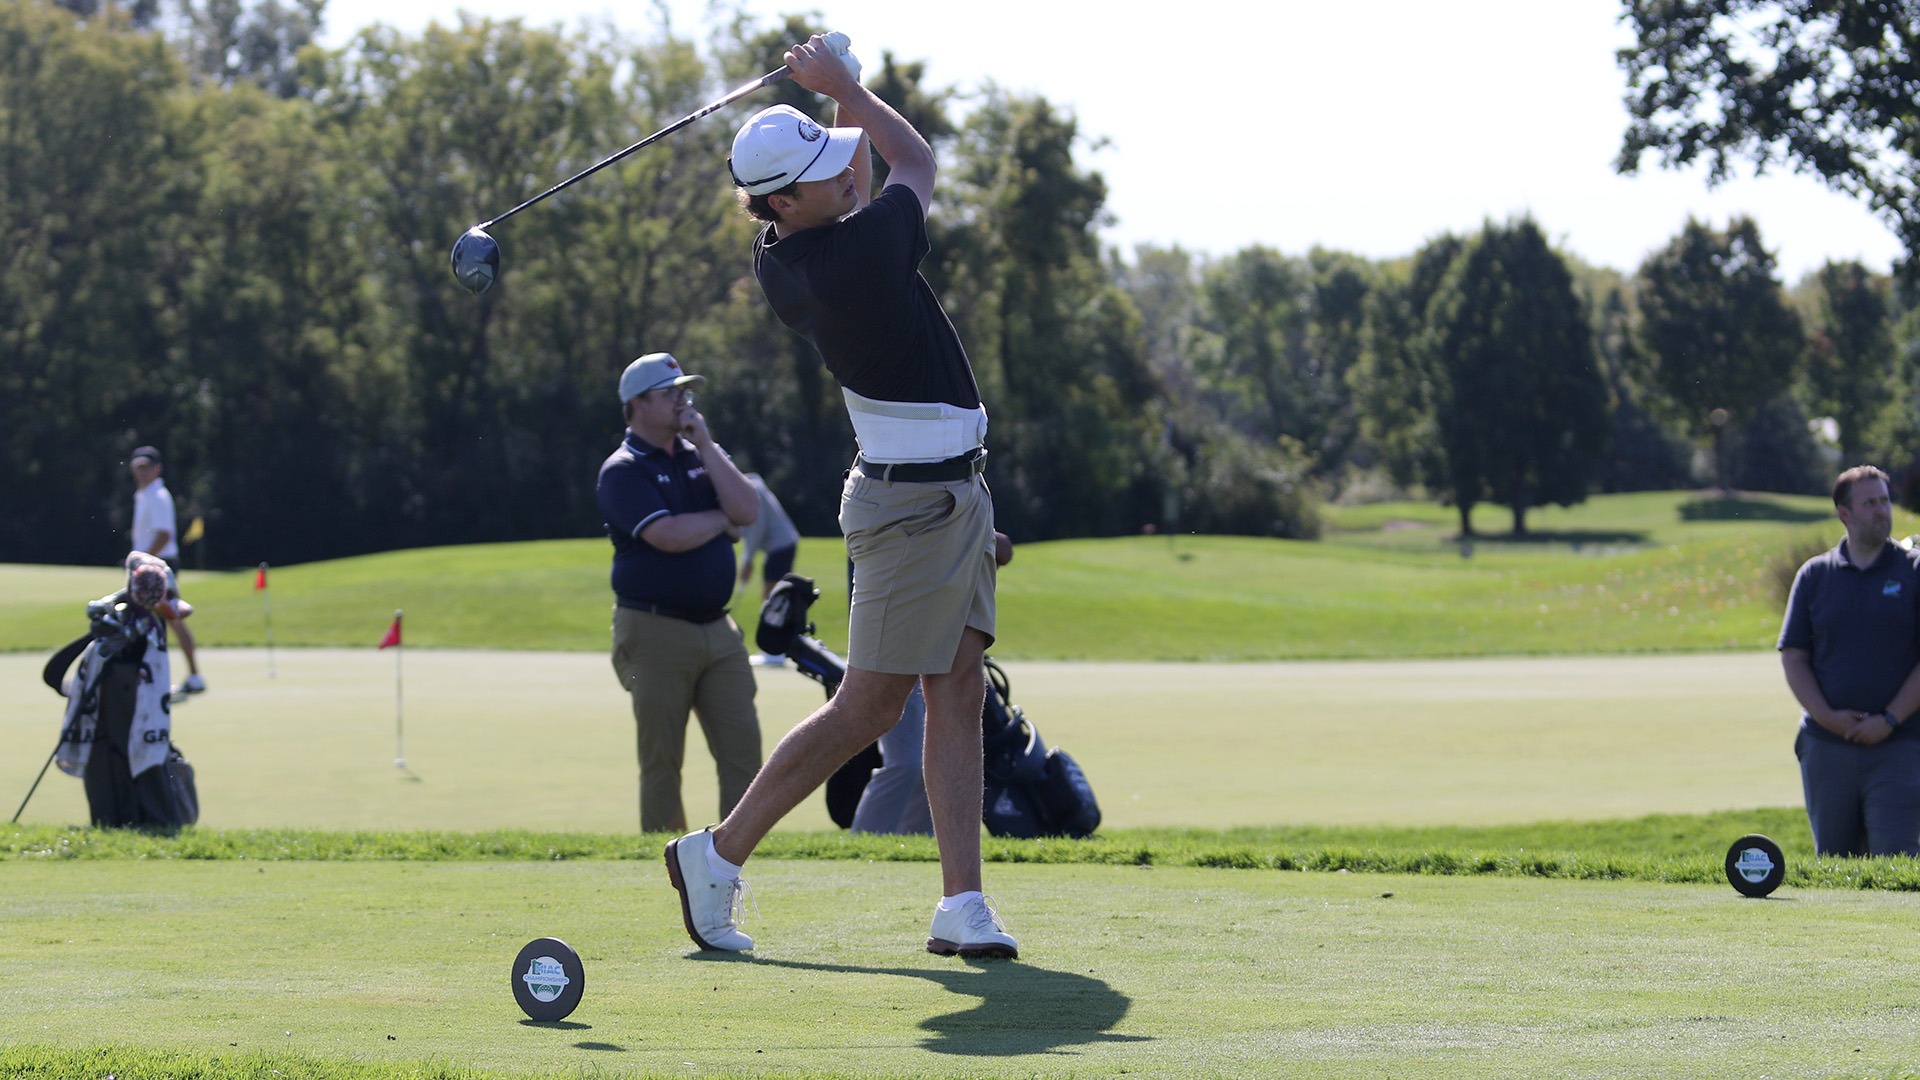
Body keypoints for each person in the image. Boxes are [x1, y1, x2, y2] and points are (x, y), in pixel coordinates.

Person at [665, 33, 1017, 960]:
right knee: (868, 709)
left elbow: (853, 161)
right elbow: (911, 159)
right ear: (784, 201)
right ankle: (716, 854)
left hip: (948, 491)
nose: (846, 173)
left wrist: (830, 92)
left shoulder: (788, 250)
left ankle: (962, 903)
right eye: (822, 172)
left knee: (956, 691)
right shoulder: (856, 257)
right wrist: (843, 86)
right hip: (911, 508)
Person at [598, 352, 764, 835]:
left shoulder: (700, 454)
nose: (683, 401)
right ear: (638, 404)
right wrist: (719, 519)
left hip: (719, 629)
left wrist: (707, 445)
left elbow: (748, 511)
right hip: (654, 630)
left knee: (744, 755)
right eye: (670, 393)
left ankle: (735, 858)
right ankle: (668, 863)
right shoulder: (623, 470)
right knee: (662, 762)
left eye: (684, 391)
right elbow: (667, 536)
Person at [1779, 464, 1920, 856]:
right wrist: (1826, 716)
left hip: (1900, 745)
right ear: (1845, 513)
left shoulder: (1913, 570)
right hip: (1826, 746)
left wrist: (1889, 719)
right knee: (1834, 865)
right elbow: (1794, 656)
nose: (1882, 511)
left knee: (1896, 860)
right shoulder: (1814, 576)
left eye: (1885, 501)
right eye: (1870, 503)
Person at [852, 531, 1015, 835]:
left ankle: (919, 846)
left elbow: (1004, 550)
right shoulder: (893, 510)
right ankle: (861, 846)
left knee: (936, 762)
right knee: (906, 763)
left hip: (941, 645)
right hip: (894, 641)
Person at [56, 553, 194, 827]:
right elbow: (135, 558)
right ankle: (134, 817)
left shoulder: (148, 612)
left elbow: (182, 609)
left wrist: (140, 600)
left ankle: (138, 817)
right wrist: (118, 599)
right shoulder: (134, 605)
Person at [128, 446, 204, 697]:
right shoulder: (144, 495)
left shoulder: (158, 495)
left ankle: (191, 676)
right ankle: (186, 676)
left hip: (158, 565)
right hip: (152, 564)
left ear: (157, 469)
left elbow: (164, 535)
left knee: (169, 618)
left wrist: (144, 562)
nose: (142, 473)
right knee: (162, 620)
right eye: (138, 468)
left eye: (147, 468)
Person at [737, 473, 802, 666]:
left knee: (773, 598)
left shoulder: (750, 491)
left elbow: (755, 528)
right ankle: (774, 650)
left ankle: (774, 651)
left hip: (780, 546)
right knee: (771, 597)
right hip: (779, 546)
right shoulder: (750, 486)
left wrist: (748, 561)